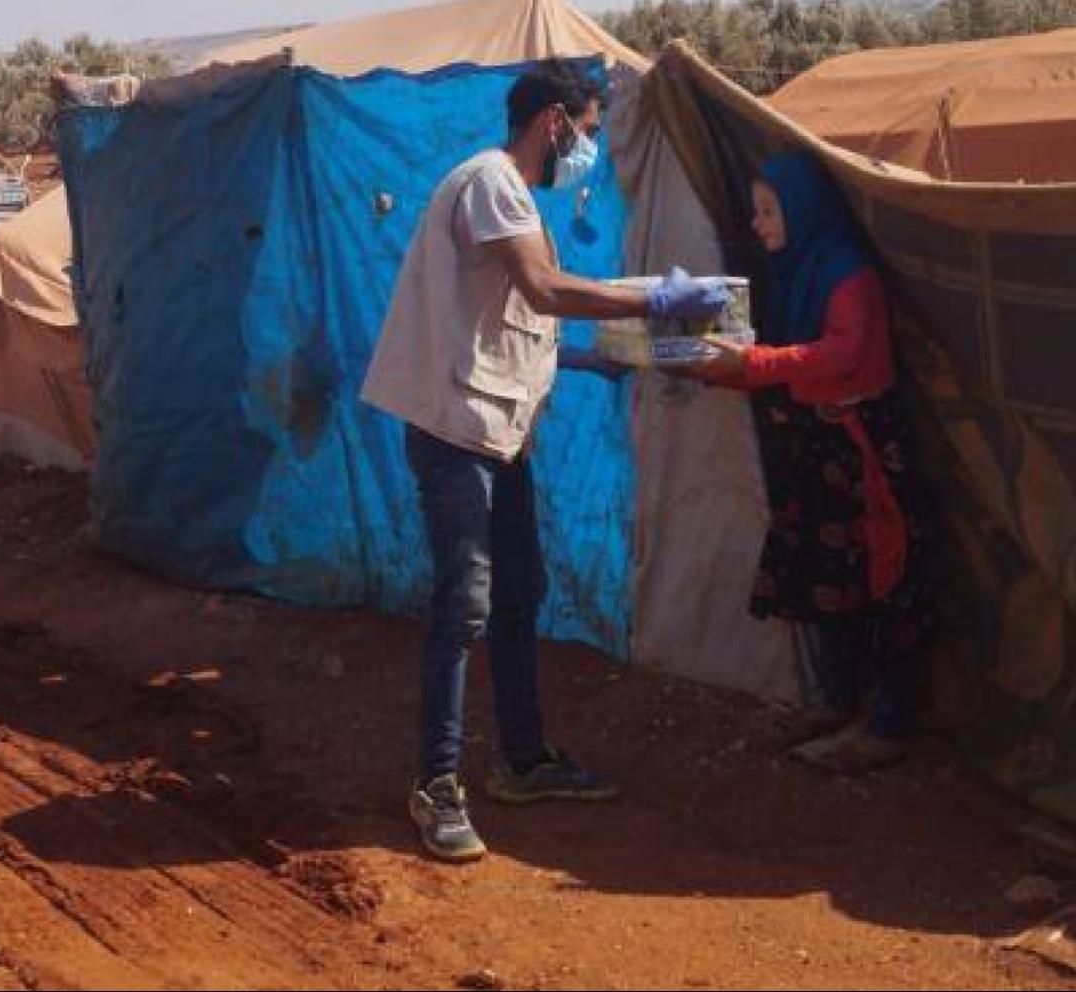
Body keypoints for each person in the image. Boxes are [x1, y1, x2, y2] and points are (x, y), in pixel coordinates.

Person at [362, 60, 732, 863]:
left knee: (520, 591)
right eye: (591, 131)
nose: (590, 147)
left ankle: (524, 761)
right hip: (458, 432)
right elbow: (542, 290)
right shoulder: (494, 180)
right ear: (555, 123)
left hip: (497, 430)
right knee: (465, 603)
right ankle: (436, 784)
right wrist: (660, 299)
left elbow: (509, 323)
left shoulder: (513, 197)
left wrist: (603, 361)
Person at [687, 151, 929, 774]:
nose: (759, 225)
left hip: (861, 454)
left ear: (804, 210)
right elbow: (784, 365)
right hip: (818, 453)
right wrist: (718, 372)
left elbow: (837, 356)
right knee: (831, 583)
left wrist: (750, 365)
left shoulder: (849, 277)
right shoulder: (796, 277)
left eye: (769, 211)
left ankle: (888, 724)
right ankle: (838, 704)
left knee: (883, 583)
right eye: (758, 211)